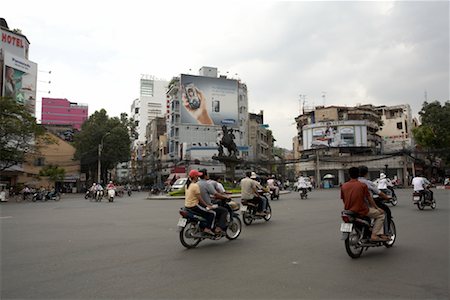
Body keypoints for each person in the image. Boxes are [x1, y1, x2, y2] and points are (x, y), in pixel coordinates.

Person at [341, 167, 388, 242]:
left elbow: (343, 199)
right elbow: (369, 199)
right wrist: (377, 208)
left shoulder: (344, 186)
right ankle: (374, 234)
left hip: (348, 210)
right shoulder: (362, 185)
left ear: (349, 175)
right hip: (361, 210)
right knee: (381, 215)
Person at [358, 166, 392, 234]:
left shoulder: (353, 182)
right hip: (367, 203)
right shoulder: (367, 183)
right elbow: (377, 193)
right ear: (366, 173)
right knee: (384, 212)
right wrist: (387, 198)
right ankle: (382, 233)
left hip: (353, 205)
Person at [198, 169, 230, 233]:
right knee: (224, 211)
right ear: (205, 176)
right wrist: (226, 197)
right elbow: (216, 194)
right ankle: (218, 228)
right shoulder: (207, 184)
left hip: (198, 205)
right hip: (207, 205)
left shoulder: (196, 183)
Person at [184, 169, 215, 235]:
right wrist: (207, 205)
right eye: (197, 176)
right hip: (194, 206)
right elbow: (200, 199)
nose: (198, 177)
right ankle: (207, 229)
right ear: (195, 177)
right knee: (211, 214)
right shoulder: (195, 186)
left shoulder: (187, 185)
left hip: (187, 206)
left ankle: (201, 226)